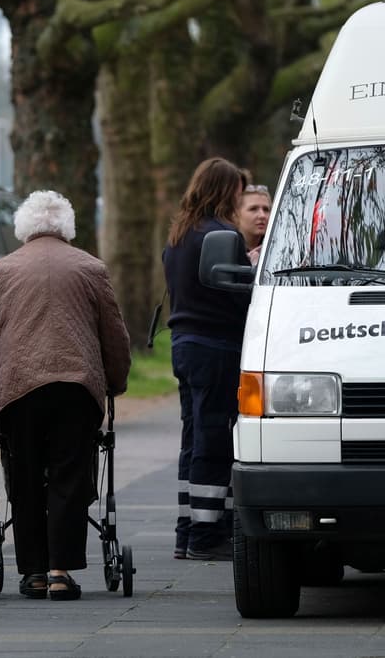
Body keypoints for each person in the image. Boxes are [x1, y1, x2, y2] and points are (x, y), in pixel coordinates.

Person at [0, 191, 131, 601]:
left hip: (17, 389)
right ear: (68, 227)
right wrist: (116, 381)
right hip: (76, 388)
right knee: (70, 474)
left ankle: (34, 572)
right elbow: (114, 335)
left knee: (24, 477)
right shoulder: (91, 268)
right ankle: (61, 570)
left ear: (23, 227)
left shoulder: (3, 271)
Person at [163, 157, 252, 561]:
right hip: (217, 347)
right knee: (214, 442)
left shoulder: (179, 235)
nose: (240, 199)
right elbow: (236, 298)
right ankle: (206, 536)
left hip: (184, 344)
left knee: (192, 441)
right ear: (225, 191)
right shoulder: (223, 235)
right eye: (238, 191)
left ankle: (187, 530)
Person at [236, 183, 271, 265]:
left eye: (266, 209)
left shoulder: (277, 249)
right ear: (236, 214)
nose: (262, 215)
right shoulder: (229, 251)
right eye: (253, 209)